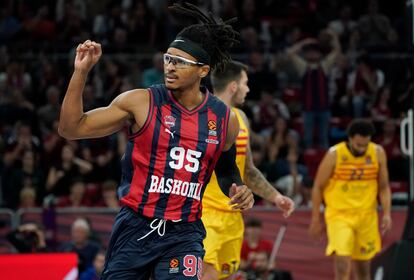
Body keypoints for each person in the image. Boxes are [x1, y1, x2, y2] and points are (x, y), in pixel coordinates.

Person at [58, 3, 254, 279]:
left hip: (184, 233)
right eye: (168, 58)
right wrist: (80, 73)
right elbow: (70, 128)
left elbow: (226, 167)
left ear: (203, 71)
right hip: (135, 226)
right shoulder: (141, 102)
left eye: (181, 62)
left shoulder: (224, 119)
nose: (171, 67)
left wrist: (238, 188)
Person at [202, 61, 295, 279]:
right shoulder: (200, 116)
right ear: (233, 86)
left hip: (234, 217)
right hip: (204, 215)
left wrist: (276, 197)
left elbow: (249, 170)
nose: (248, 89)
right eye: (245, 83)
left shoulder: (241, 119)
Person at [309, 119, 392, 280]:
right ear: (350, 138)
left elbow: (384, 187)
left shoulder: (377, 152)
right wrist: (315, 219)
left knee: (363, 270)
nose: (362, 149)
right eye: (358, 145)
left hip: (367, 216)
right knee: (342, 263)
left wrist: (387, 214)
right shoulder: (335, 154)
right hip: (339, 215)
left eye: (365, 145)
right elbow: (317, 187)